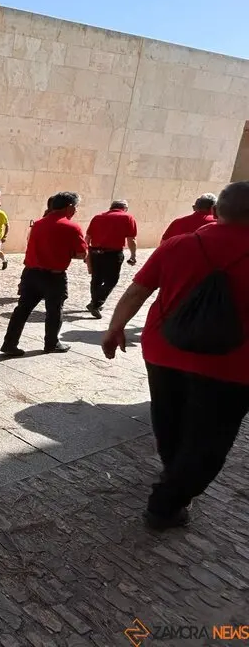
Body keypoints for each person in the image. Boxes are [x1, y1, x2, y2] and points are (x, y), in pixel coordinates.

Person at [102, 181, 249, 531]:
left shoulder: (180, 244)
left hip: (164, 350)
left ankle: (173, 471)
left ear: (215, 212)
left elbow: (137, 291)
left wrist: (114, 328)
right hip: (232, 366)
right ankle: (166, 503)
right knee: (210, 439)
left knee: (168, 418)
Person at [1, 192, 88, 356]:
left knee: (22, 310)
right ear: (69, 207)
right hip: (54, 276)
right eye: (75, 207)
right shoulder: (71, 227)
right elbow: (81, 253)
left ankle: (9, 343)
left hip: (31, 273)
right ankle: (51, 343)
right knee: (54, 310)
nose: (76, 210)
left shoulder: (38, 224)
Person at [85, 200, 138, 319]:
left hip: (95, 252)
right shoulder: (127, 217)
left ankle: (95, 302)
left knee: (96, 279)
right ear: (125, 208)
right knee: (111, 280)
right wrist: (133, 256)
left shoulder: (97, 217)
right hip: (112, 254)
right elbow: (131, 239)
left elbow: (88, 237)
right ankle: (96, 304)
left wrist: (86, 254)